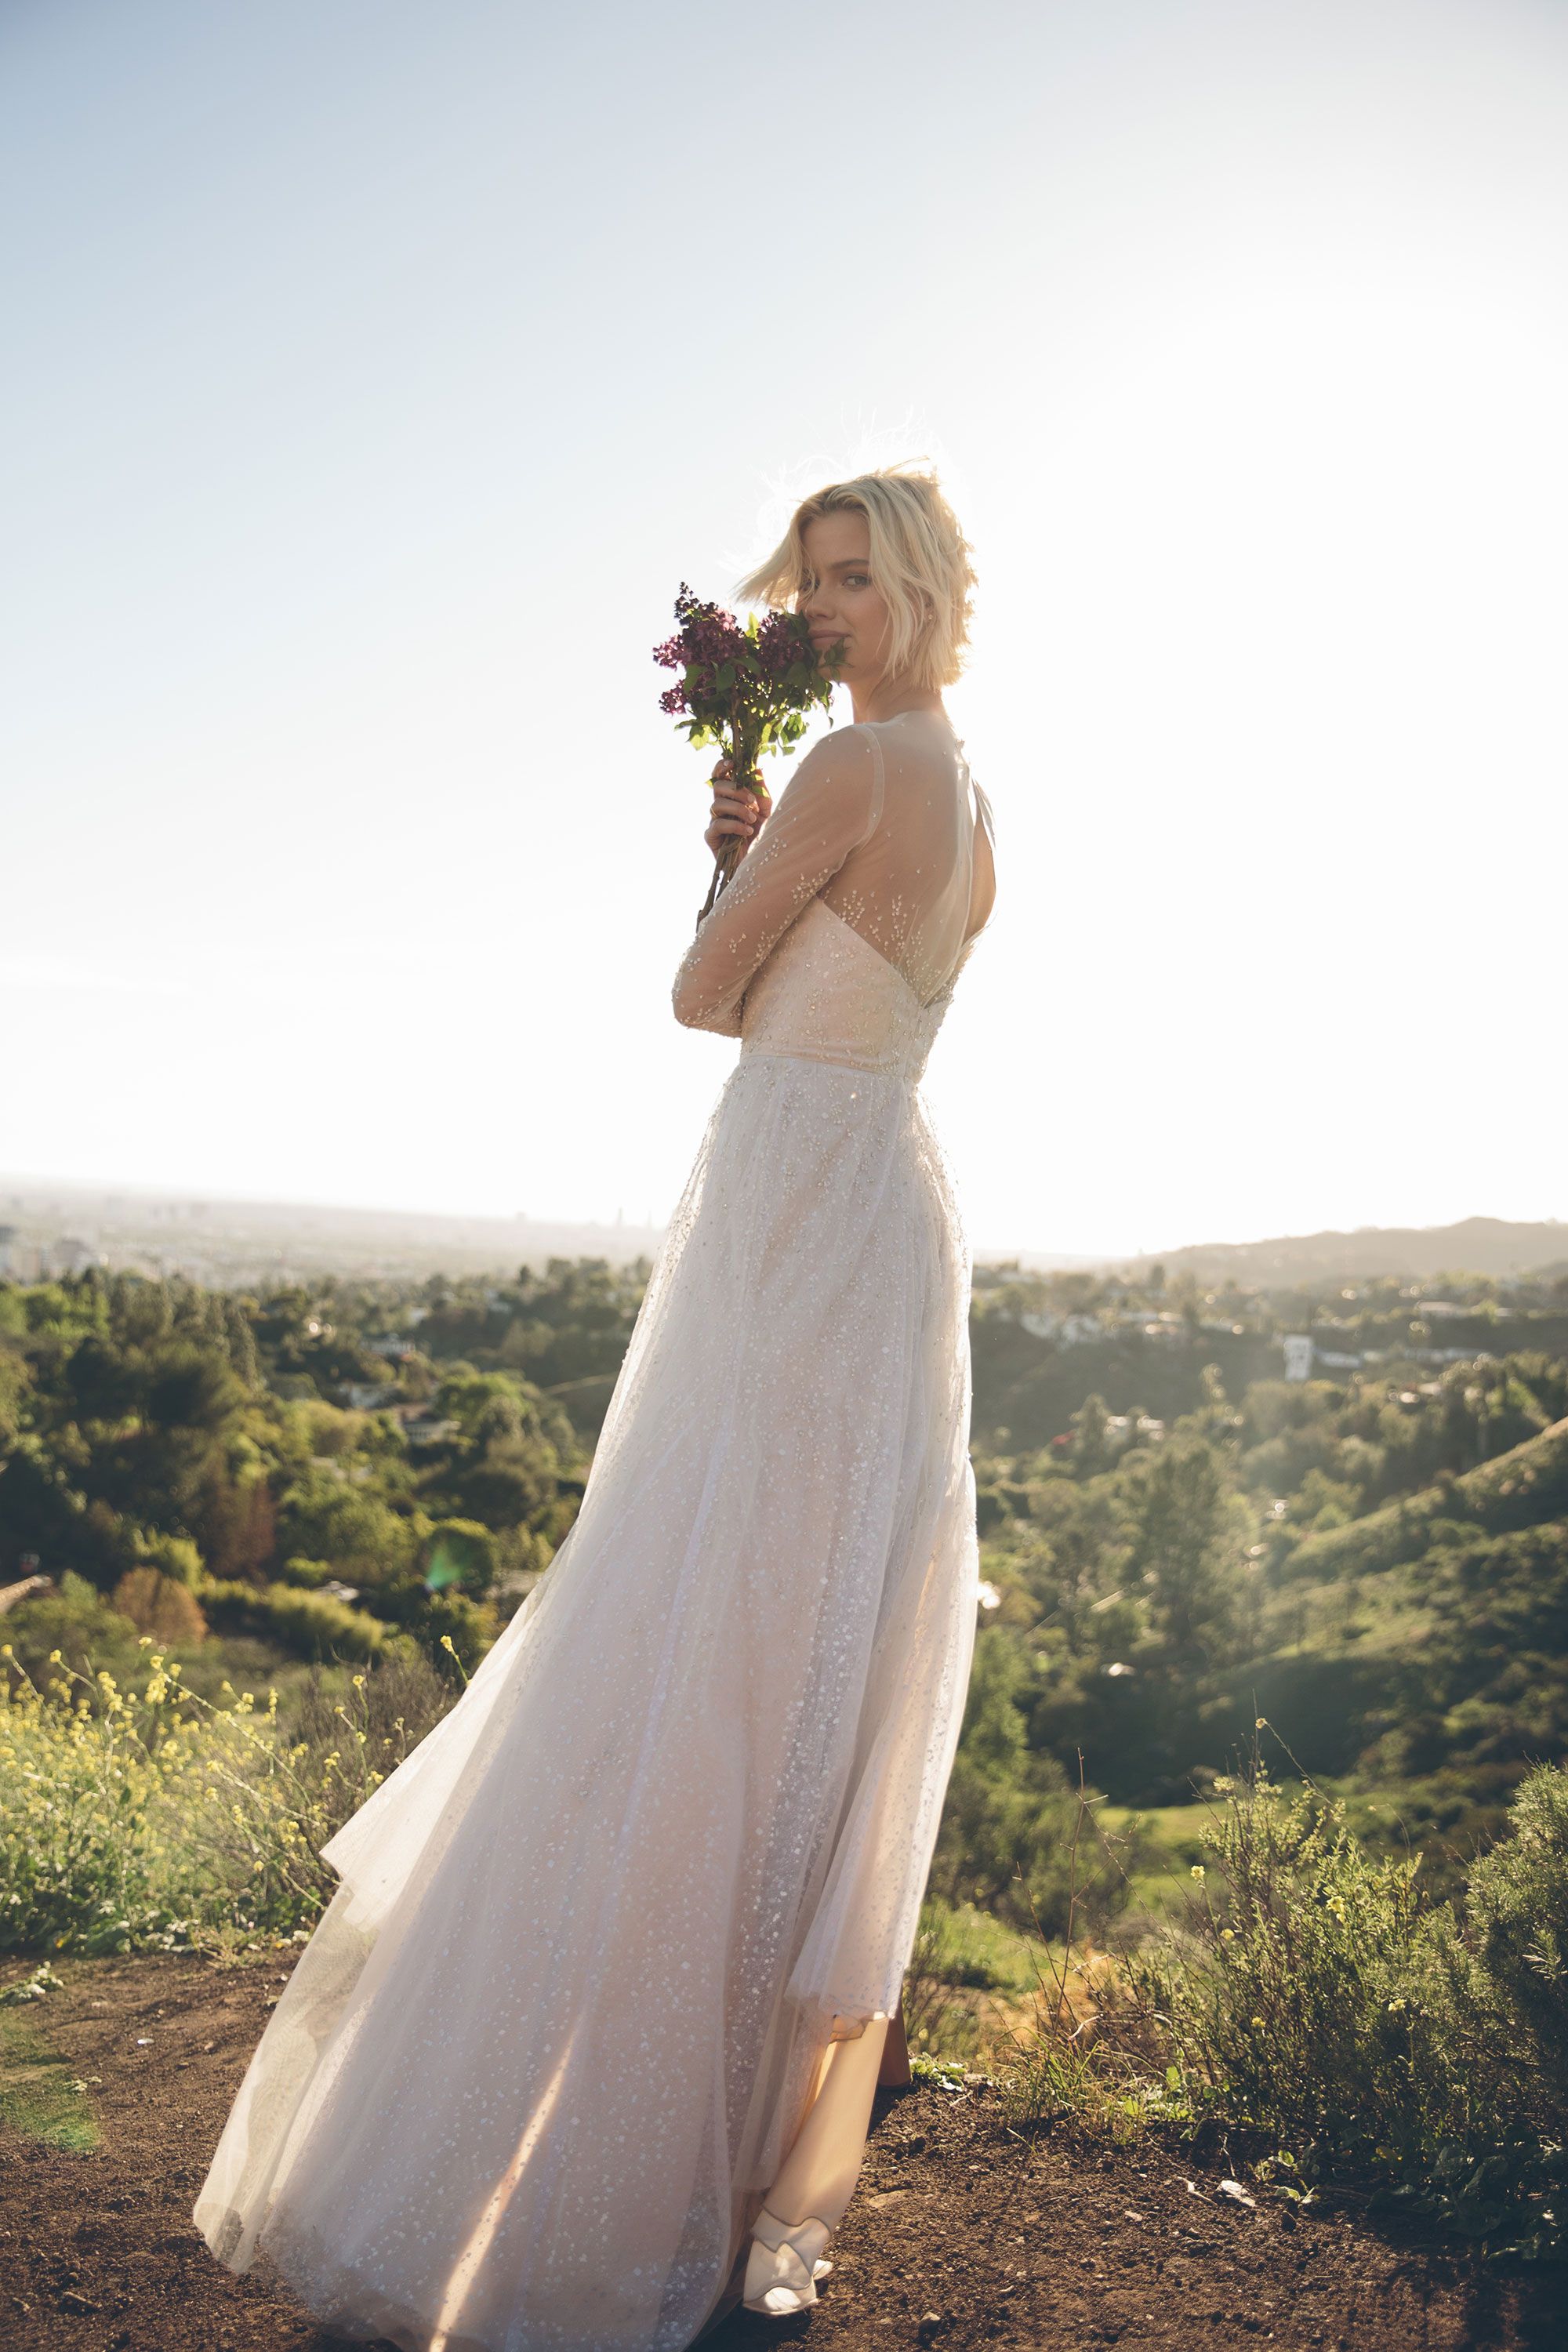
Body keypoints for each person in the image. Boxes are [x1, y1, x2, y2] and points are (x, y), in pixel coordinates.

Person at [193, 463, 996, 2351]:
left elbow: (706, 994)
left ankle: (576, 2168)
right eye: (813, 591)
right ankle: (720, 2169)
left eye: (859, 583)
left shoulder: (849, 770)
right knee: (798, 1661)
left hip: (792, 1222)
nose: (831, 619)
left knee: (676, 1634)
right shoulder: (979, 803)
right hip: (881, 1219)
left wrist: (726, 862)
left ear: (934, 584)